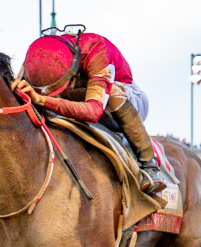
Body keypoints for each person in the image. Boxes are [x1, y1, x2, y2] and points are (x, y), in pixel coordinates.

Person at [13, 30, 168, 194]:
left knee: (114, 93)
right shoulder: (37, 55)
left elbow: (94, 112)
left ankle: (149, 163)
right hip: (84, 97)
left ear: (72, 72)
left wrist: (43, 100)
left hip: (127, 100)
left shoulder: (97, 49)